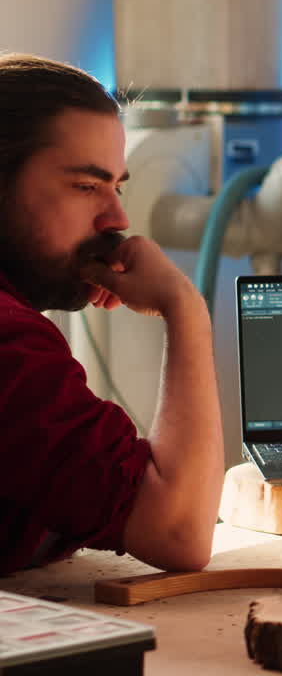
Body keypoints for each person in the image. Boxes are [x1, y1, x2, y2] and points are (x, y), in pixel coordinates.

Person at [0, 53, 223, 573]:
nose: (117, 217)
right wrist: (184, 308)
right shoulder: (10, 345)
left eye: (116, 187)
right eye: (85, 186)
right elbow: (179, 534)